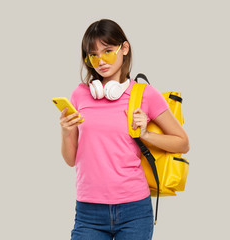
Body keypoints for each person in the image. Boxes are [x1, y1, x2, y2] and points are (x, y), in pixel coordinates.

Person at [59, 19, 189, 240]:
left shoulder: (145, 94)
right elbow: (71, 160)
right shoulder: (79, 95)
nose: (101, 61)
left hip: (134, 210)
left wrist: (145, 134)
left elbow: (183, 142)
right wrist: (65, 132)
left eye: (108, 51)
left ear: (124, 48)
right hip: (88, 211)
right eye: (93, 55)